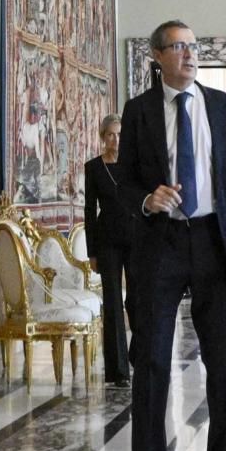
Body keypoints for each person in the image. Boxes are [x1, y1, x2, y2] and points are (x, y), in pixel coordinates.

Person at [114, 21, 226, 451]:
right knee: (152, 366)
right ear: (157, 56)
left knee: (224, 369)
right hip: (158, 248)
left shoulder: (225, 109)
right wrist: (146, 198)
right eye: (178, 47)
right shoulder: (138, 112)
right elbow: (122, 183)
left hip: (215, 244)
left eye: (193, 46)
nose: (189, 54)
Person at [83, 112, 137, 386]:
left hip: (136, 239)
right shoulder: (93, 168)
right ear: (103, 138)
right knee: (113, 302)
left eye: (119, 135)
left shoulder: (135, 165)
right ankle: (118, 372)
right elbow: (89, 211)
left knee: (137, 300)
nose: (115, 140)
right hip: (107, 242)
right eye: (110, 135)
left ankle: (137, 354)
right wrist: (91, 252)